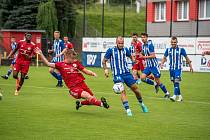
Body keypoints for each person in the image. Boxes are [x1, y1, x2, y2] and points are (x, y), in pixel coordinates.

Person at [35, 47, 109, 110]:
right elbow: (48, 64)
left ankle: (80, 104)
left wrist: (92, 73)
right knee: (87, 96)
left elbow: (85, 70)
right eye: (72, 58)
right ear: (67, 56)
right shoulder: (60, 65)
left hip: (82, 84)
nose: (74, 59)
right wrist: (41, 54)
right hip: (74, 88)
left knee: (92, 99)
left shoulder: (76, 63)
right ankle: (102, 104)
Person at [102, 36, 148, 117]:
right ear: (116, 43)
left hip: (127, 73)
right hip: (117, 75)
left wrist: (134, 60)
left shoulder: (125, 49)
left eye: (122, 43)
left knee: (136, 90)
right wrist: (105, 69)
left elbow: (131, 57)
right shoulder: (111, 50)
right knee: (122, 90)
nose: (121, 44)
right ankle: (128, 110)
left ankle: (142, 104)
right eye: (119, 43)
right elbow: (104, 61)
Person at [161, 36, 193, 102]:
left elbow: (187, 58)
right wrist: (162, 64)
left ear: (177, 42)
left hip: (178, 69)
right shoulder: (168, 50)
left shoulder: (181, 49)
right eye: (172, 42)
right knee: (175, 83)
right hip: (171, 69)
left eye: (174, 42)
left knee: (176, 81)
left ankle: (174, 96)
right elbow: (164, 57)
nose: (173, 43)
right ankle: (180, 96)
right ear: (170, 42)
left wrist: (190, 66)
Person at [140, 33, 170, 98]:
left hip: (154, 66)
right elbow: (142, 53)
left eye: (144, 37)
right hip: (148, 66)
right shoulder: (143, 46)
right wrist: (139, 54)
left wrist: (144, 57)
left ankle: (167, 93)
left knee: (158, 81)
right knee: (142, 77)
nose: (143, 38)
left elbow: (153, 55)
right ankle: (154, 84)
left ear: (147, 38)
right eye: (142, 37)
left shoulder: (150, 45)